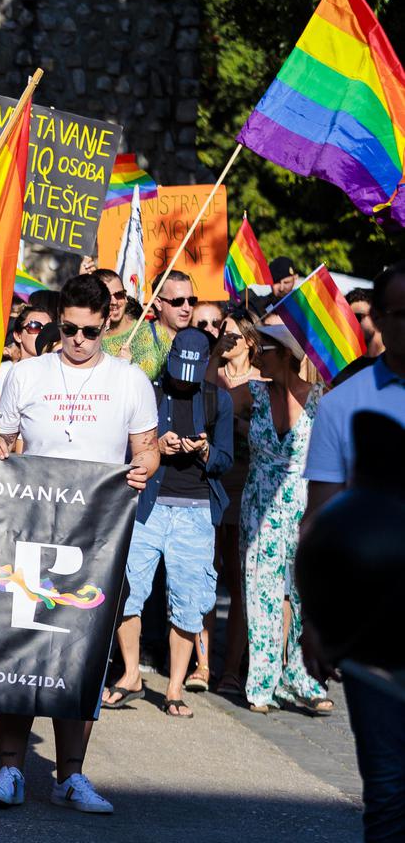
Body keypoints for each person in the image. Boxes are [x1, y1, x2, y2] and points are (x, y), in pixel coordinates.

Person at [0, 273, 159, 815]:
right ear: (58, 321)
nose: (77, 340)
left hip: (97, 538)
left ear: (108, 321)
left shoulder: (130, 379)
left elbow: (146, 451)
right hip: (27, 532)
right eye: (67, 329)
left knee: (78, 655)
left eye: (87, 330)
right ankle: (10, 768)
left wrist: (141, 471)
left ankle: (71, 775)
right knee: (18, 648)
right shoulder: (25, 373)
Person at [304, 261, 405, 839]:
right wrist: (315, 619)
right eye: (402, 314)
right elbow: (319, 517)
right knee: (389, 792)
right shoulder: (346, 405)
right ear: (383, 322)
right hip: (373, 633)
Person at [101, 328, 234, 718]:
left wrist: (206, 448)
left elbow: (226, 459)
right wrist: (157, 447)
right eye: (178, 373)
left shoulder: (217, 399)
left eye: (191, 376)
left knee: (188, 600)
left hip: (196, 511)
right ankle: (130, 675)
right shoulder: (151, 391)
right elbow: (127, 445)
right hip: (148, 505)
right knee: (128, 588)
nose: (183, 381)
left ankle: (174, 688)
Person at [240, 321, 331, 716]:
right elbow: (208, 392)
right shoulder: (253, 393)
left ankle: (303, 679)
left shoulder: (319, 399)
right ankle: (261, 684)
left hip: (303, 505)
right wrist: (217, 351)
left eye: (267, 349)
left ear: (287, 355)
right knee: (261, 592)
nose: (258, 354)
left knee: (305, 593)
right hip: (259, 503)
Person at [204, 310, 261, 694]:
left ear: (251, 344)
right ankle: (201, 664)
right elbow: (200, 403)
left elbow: (266, 434)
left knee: (239, 583)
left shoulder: (260, 383)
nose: (225, 341)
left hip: (245, 486)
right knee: (208, 574)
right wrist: (212, 358)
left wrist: (236, 425)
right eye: (221, 334)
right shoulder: (215, 374)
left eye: (233, 336)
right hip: (210, 484)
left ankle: (231, 670)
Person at [96, 267, 164, 381]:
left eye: (119, 295)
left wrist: (130, 367)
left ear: (126, 297)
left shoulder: (153, 333)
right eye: (106, 296)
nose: (114, 302)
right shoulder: (83, 338)